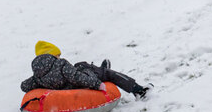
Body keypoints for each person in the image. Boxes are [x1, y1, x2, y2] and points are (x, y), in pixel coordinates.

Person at [20, 41, 150, 98]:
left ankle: (99, 69)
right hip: (79, 86)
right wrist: (97, 84)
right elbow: (77, 77)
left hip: (64, 91)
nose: (60, 57)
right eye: (58, 55)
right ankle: (138, 90)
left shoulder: (37, 75)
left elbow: (24, 86)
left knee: (80, 66)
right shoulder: (61, 64)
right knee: (95, 70)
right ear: (52, 55)